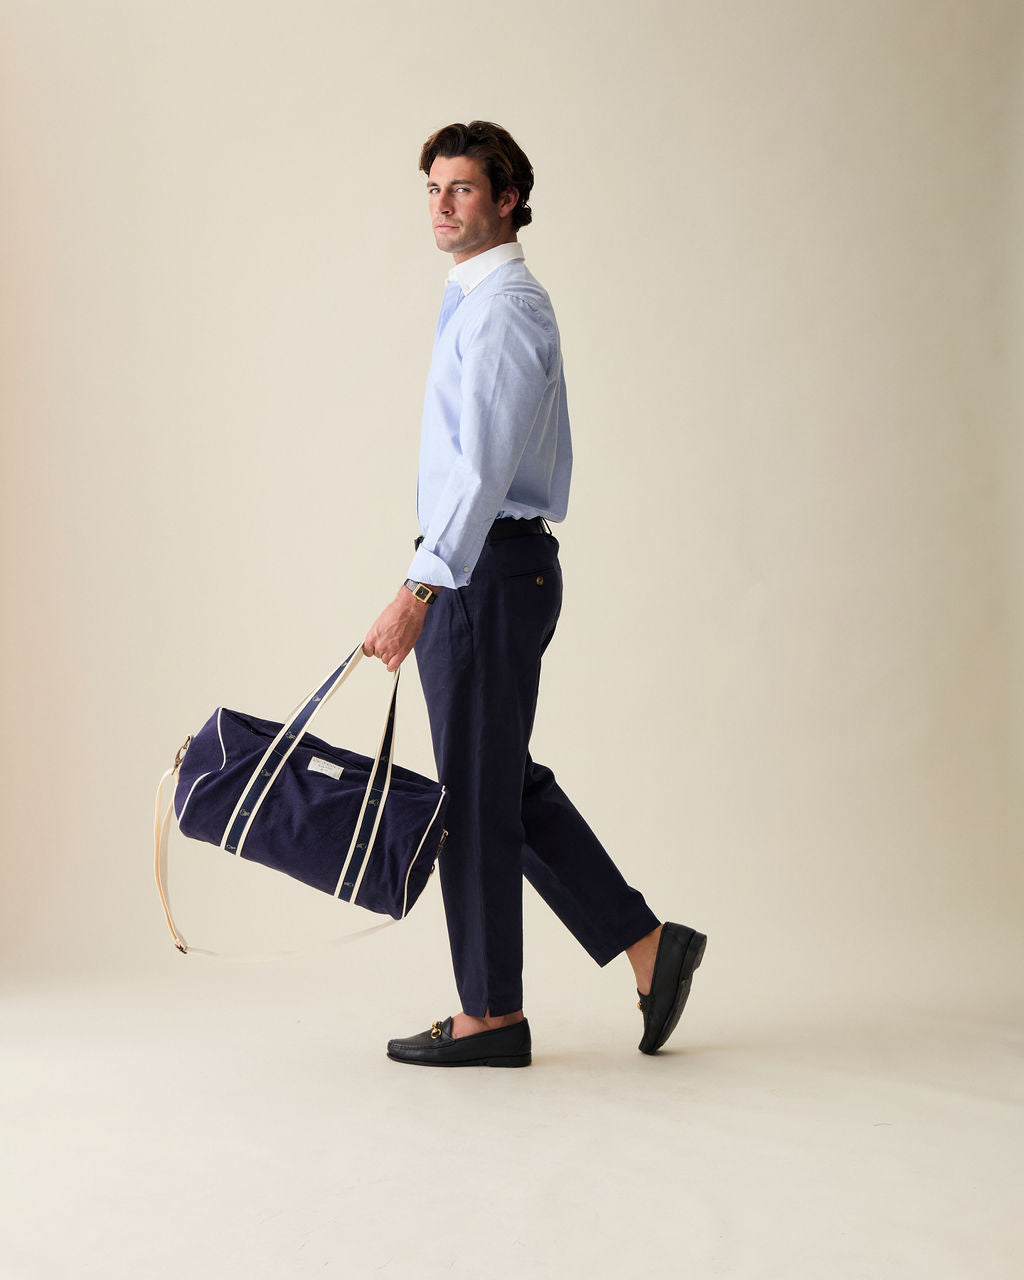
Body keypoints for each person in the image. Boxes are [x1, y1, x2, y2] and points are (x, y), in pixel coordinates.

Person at [363, 121, 706, 1067]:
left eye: (462, 189)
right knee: (496, 784)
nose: (441, 205)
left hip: (483, 572)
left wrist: (418, 589)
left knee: (476, 800)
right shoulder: (478, 299)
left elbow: (482, 470)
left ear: (508, 199)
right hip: (487, 569)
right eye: (432, 188)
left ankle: (491, 1017)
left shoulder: (505, 308)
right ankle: (649, 948)